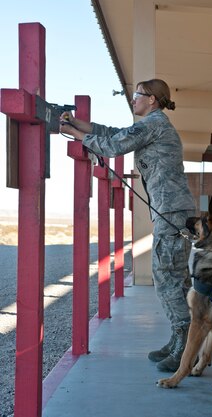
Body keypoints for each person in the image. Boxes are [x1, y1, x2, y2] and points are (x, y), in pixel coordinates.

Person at [59, 78, 196, 372]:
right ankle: (180, 341)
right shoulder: (152, 124)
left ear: (153, 100)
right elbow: (115, 133)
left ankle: (185, 347)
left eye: (138, 95)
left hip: (171, 213)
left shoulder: (154, 123)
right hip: (172, 210)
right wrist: (80, 124)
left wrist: (74, 133)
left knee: (168, 280)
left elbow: (113, 145)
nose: (133, 99)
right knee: (177, 279)